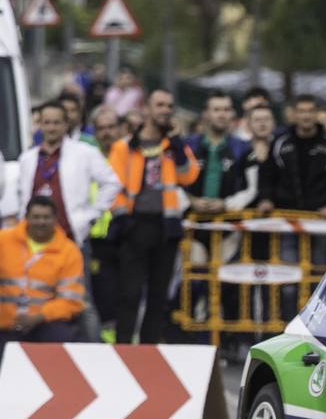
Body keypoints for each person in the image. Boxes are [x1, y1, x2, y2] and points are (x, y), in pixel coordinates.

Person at [106, 89, 202, 344]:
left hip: (166, 225)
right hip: (135, 224)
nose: (166, 110)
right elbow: (112, 185)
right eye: (160, 105)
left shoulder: (173, 145)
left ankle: (149, 350)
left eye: (169, 105)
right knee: (130, 292)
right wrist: (122, 218)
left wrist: (178, 143)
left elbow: (189, 175)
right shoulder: (124, 146)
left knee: (159, 295)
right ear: (147, 108)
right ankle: (124, 346)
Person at [0, 101, 121, 247]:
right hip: (32, 240)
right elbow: (18, 194)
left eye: (56, 123)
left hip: (71, 236)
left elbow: (112, 183)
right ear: (40, 125)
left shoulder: (84, 152)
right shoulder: (28, 158)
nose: (51, 128)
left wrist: (91, 215)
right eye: (47, 122)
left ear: (66, 125)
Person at [0, 197, 87, 344]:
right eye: (36, 217)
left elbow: (71, 301)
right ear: (26, 218)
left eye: (46, 217)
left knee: (67, 338)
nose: (41, 222)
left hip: (44, 324)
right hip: (5, 324)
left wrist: (39, 317)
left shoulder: (69, 251)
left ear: (55, 219)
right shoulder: (4, 240)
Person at [257, 93, 326, 214]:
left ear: (317, 113)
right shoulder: (279, 143)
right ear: (294, 114)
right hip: (285, 214)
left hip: (323, 217)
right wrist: (266, 199)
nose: (306, 116)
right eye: (301, 111)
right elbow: (267, 175)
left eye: (310, 111)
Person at [185, 92, 254, 214]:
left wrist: (226, 204)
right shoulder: (188, 145)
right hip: (190, 224)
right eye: (216, 110)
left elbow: (251, 188)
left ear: (232, 114)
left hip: (230, 225)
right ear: (205, 114)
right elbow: (173, 183)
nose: (222, 115)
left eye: (226, 110)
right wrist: (191, 200)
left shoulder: (244, 148)